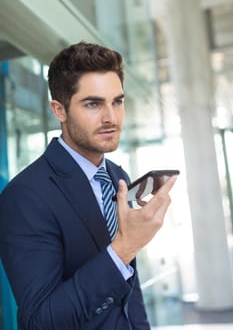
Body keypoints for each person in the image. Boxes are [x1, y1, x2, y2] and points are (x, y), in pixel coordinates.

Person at [0, 41, 177, 329]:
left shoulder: (116, 175)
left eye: (117, 101)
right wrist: (123, 248)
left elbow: (129, 293)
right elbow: (40, 321)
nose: (111, 117)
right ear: (59, 110)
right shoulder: (25, 196)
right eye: (93, 104)